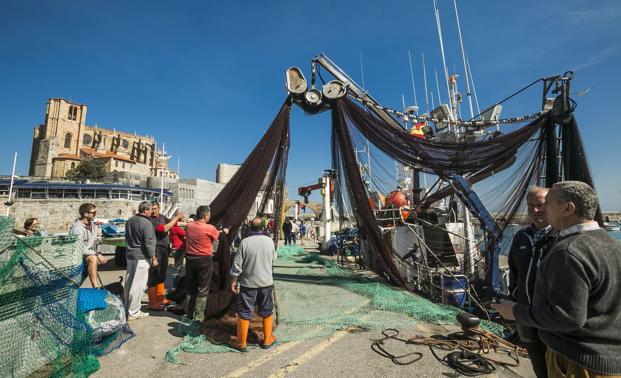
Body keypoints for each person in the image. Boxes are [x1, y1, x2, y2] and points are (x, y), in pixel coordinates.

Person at [493, 181, 621, 378]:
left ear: (568, 209)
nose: (542, 210)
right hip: (608, 359)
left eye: (548, 204)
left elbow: (567, 317)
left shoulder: (569, 252)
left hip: (577, 361)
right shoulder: (614, 246)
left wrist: (515, 311)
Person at [507, 187, 555, 378]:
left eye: (540, 205)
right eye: (531, 206)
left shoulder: (561, 237)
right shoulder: (521, 237)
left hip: (549, 319)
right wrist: (514, 297)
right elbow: (514, 270)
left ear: (552, 206)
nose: (535, 211)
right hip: (525, 315)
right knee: (539, 368)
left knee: (557, 369)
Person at [229, 217, 277, 352]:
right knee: (266, 310)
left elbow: (237, 265)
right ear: (264, 227)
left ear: (250, 227)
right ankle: (267, 339)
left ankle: (241, 343)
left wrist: (234, 280)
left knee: (244, 311)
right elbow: (273, 258)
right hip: (266, 283)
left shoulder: (245, 242)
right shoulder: (270, 242)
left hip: (248, 284)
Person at [184, 205, 228, 322]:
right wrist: (224, 231)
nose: (210, 216)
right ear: (205, 216)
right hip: (204, 260)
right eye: (209, 214)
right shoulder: (209, 228)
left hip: (190, 259)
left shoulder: (189, 226)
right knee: (202, 288)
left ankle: (189, 314)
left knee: (191, 287)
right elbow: (217, 236)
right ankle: (198, 317)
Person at [124, 201, 158, 320]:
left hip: (130, 254)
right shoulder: (146, 223)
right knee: (138, 285)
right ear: (145, 210)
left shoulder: (129, 221)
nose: (152, 212)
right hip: (141, 257)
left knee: (129, 283)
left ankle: (127, 308)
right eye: (150, 210)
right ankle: (134, 312)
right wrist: (153, 257)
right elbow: (148, 243)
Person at [147, 201, 184, 310]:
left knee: (162, 274)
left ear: (159, 208)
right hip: (156, 249)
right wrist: (176, 217)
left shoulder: (162, 217)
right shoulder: (151, 220)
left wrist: (189, 224)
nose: (153, 211)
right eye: (151, 209)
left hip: (164, 249)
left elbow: (175, 224)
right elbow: (164, 229)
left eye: (155, 208)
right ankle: (152, 302)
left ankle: (160, 298)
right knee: (154, 275)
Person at [69, 203, 107, 288]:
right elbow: (79, 248)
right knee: (93, 258)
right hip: (77, 256)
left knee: (101, 259)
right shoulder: (77, 229)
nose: (95, 214)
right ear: (86, 214)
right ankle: (95, 286)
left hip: (86, 254)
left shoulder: (91, 225)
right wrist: (96, 254)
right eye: (94, 212)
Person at [170, 214, 187, 291]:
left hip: (175, 248)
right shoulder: (176, 228)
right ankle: (175, 287)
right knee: (177, 268)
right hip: (179, 249)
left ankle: (175, 286)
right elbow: (186, 234)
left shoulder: (172, 228)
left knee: (177, 267)